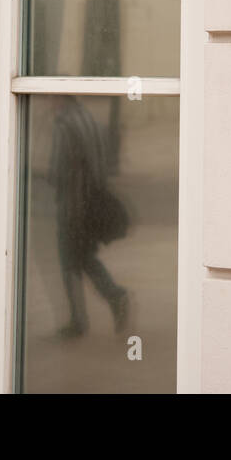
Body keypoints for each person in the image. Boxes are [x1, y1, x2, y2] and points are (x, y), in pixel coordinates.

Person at [50, 95, 130, 337]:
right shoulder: (91, 121)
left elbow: (57, 170)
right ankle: (114, 298)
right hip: (91, 203)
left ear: (59, 100)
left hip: (72, 206)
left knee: (70, 261)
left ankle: (80, 319)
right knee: (84, 257)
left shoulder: (64, 125)